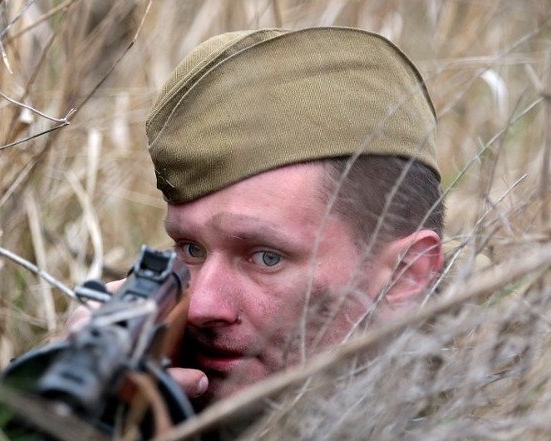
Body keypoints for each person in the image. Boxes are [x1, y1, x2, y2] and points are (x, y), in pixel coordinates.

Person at [141, 26, 445, 409]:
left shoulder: (508, 422)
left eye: (266, 257)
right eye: (191, 249)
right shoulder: (146, 345)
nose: (202, 307)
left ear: (406, 275)